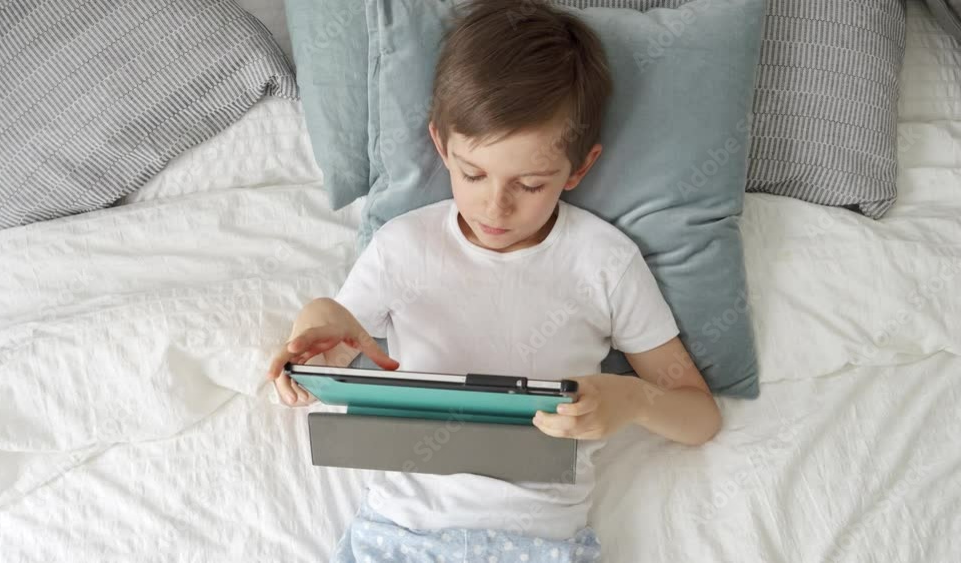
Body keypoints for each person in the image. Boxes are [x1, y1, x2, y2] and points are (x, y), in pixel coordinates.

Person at [265, 1, 722, 560]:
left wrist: (634, 400)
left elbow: (699, 416)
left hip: (540, 544)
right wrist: (314, 327)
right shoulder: (403, 247)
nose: (495, 206)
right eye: (472, 173)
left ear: (578, 169)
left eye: (529, 184)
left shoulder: (605, 262)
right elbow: (327, 351)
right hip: (400, 536)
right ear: (441, 145)